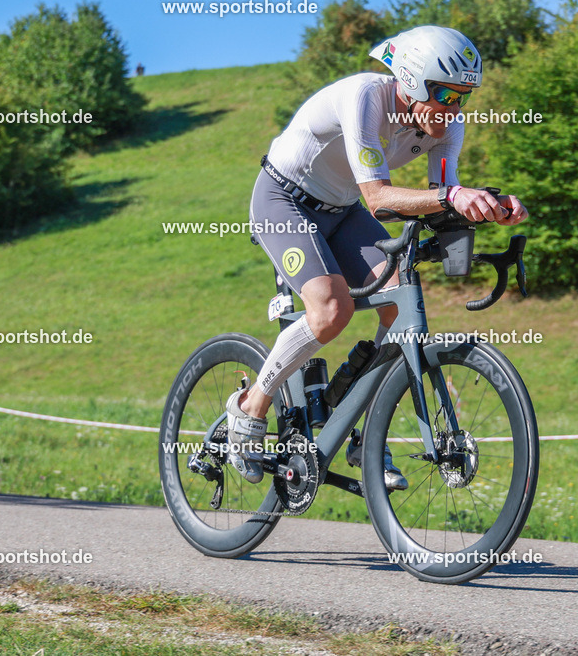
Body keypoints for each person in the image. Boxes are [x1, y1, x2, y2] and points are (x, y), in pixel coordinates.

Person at [225, 25, 528, 490]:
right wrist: (454, 195)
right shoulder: (366, 97)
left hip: (342, 210)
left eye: (462, 97)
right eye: (444, 93)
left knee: (396, 306)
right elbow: (381, 199)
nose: (452, 109)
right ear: (409, 81)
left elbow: (438, 202)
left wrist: (489, 207)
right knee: (331, 309)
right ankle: (250, 407)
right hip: (284, 199)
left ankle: (359, 421)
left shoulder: (446, 128)